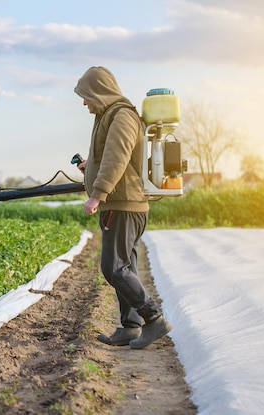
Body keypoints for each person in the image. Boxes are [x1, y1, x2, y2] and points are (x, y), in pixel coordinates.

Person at [73, 66, 172, 349]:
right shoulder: (109, 116)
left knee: (114, 267)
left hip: (123, 205)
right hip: (121, 204)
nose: (83, 102)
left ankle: (154, 320)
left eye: (85, 95)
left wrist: (98, 194)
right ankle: (131, 326)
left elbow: (117, 158)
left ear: (98, 91)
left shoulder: (122, 116)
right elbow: (108, 157)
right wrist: (88, 167)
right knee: (124, 265)